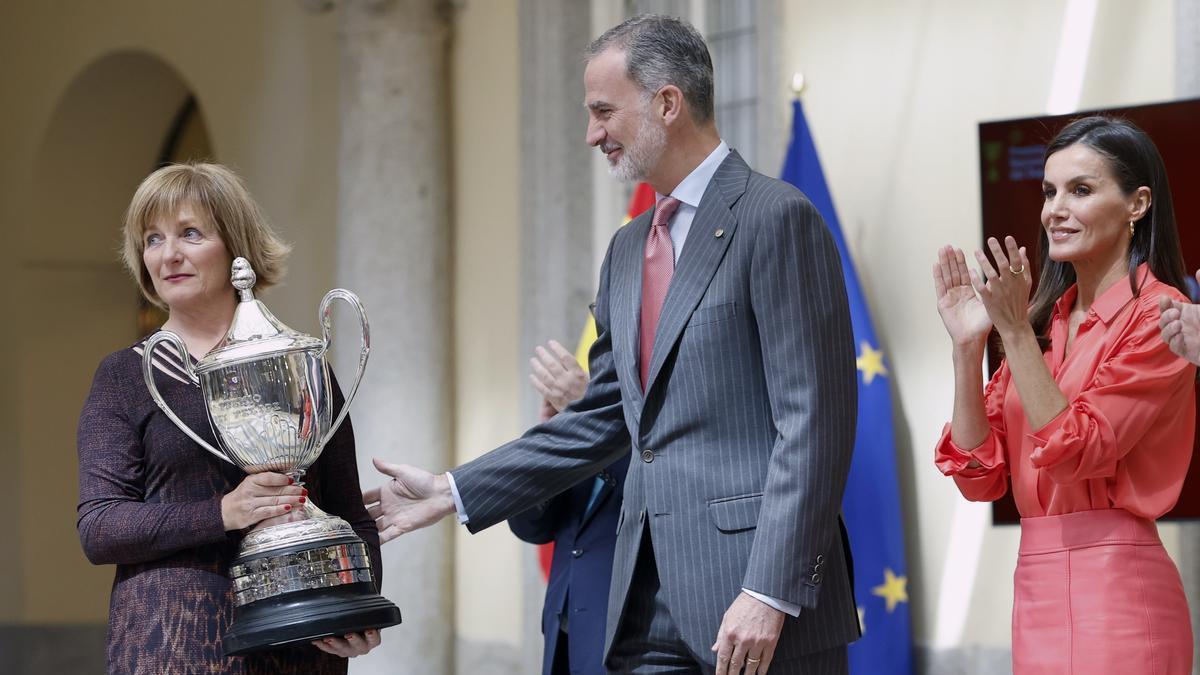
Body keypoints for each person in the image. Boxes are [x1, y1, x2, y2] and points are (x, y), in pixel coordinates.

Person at [365, 15, 859, 675]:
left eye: (603, 111)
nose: (591, 134)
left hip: (758, 605)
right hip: (641, 610)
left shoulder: (776, 218)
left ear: (668, 102)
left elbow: (815, 422)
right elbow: (601, 416)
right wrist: (452, 489)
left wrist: (769, 589)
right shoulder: (627, 250)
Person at [77, 162, 382, 673]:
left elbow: (348, 512)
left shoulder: (299, 367)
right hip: (172, 645)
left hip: (301, 647)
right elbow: (101, 526)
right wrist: (223, 512)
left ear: (235, 246)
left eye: (190, 233)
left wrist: (359, 611)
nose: (168, 254)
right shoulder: (124, 377)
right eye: (153, 239)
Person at [932, 116, 1195, 674]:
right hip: (1035, 585)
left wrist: (1014, 333)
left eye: (1080, 190)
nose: (1054, 209)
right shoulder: (1042, 322)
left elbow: (1078, 451)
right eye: (1049, 191)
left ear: (1137, 204)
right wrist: (968, 347)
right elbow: (979, 477)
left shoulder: (1162, 315)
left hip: (1120, 591)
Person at [508, 338, 629, 675]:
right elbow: (531, 528)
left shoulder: (655, 419)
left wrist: (595, 415)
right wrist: (549, 438)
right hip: (563, 632)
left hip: (627, 638)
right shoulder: (577, 428)